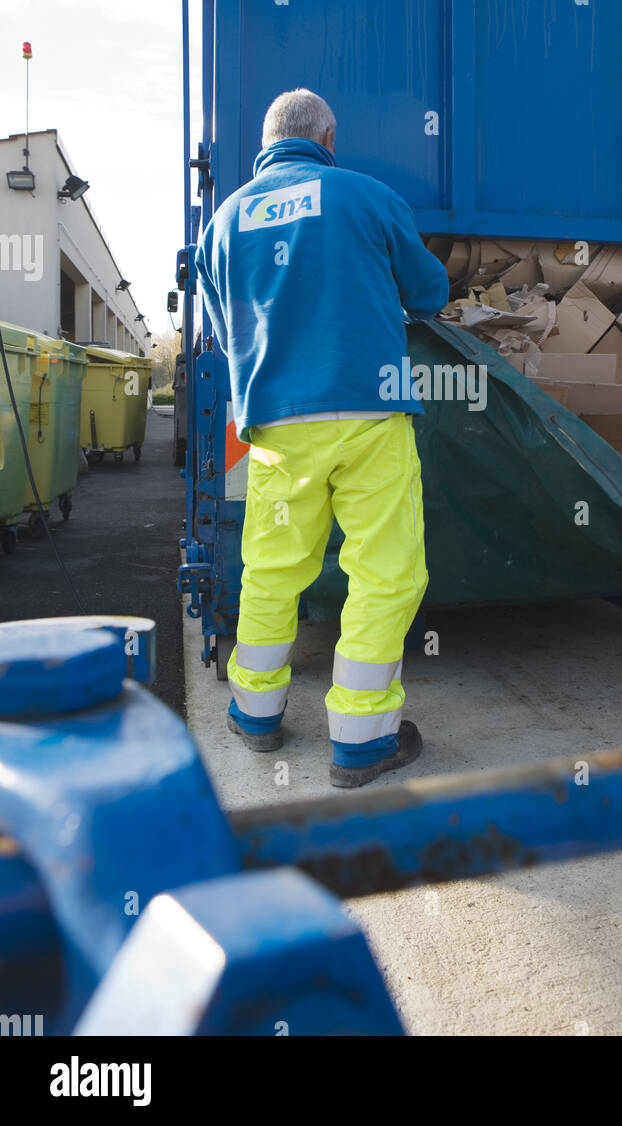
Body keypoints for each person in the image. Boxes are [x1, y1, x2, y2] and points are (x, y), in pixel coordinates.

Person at [194, 88, 449, 787]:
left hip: (273, 425)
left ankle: (256, 717)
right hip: (368, 412)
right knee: (383, 571)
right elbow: (429, 294)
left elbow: (219, 331)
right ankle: (361, 743)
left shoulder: (222, 222)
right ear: (327, 137)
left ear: (268, 141)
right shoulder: (365, 196)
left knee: (272, 571)